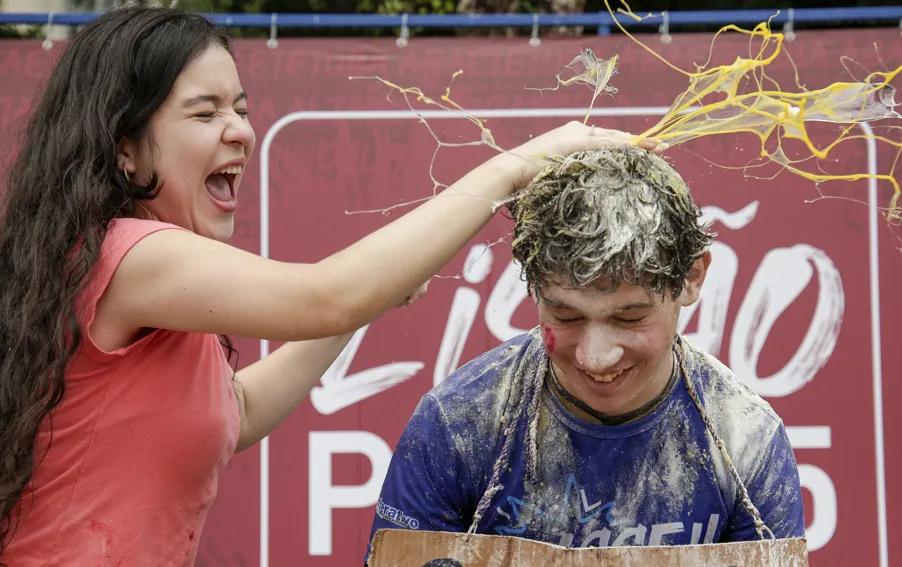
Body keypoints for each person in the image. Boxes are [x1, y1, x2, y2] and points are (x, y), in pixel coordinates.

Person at [0, 7, 658, 566]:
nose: (240, 130)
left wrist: (362, 307)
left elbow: (238, 410)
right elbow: (326, 296)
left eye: (240, 108)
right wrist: (512, 168)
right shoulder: (131, 254)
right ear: (126, 149)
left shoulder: (144, 272)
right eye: (204, 113)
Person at [366, 145, 805, 562]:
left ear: (691, 277)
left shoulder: (746, 438)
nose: (596, 358)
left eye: (629, 319)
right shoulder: (459, 422)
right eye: (567, 317)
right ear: (535, 291)